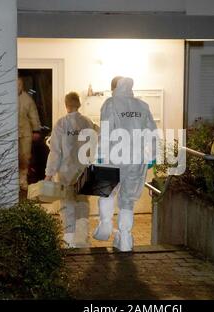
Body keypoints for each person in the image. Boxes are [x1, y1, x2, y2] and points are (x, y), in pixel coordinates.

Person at [93, 77, 157, 252]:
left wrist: (100, 155)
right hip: (137, 159)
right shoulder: (142, 106)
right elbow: (152, 132)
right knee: (128, 199)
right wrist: (152, 155)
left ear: (113, 87)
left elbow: (105, 131)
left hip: (114, 156)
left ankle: (105, 225)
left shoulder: (110, 103)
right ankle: (125, 239)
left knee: (107, 192)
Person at [45, 92, 97, 248]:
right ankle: (82, 239)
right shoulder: (88, 122)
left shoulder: (61, 124)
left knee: (67, 203)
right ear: (79, 104)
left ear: (66, 104)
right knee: (82, 203)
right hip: (84, 170)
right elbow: (96, 143)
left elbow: (55, 151)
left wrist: (49, 173)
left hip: (66, 171)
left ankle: (69, 240)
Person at [18, 77, 41, 191]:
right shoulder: (7, 97)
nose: (18, 87)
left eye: (20, 84)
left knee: (25, 157)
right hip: (11, 133)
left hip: (25, 133)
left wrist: (36, 130)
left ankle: (23, 180)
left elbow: (33, 115)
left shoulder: (27, 99)